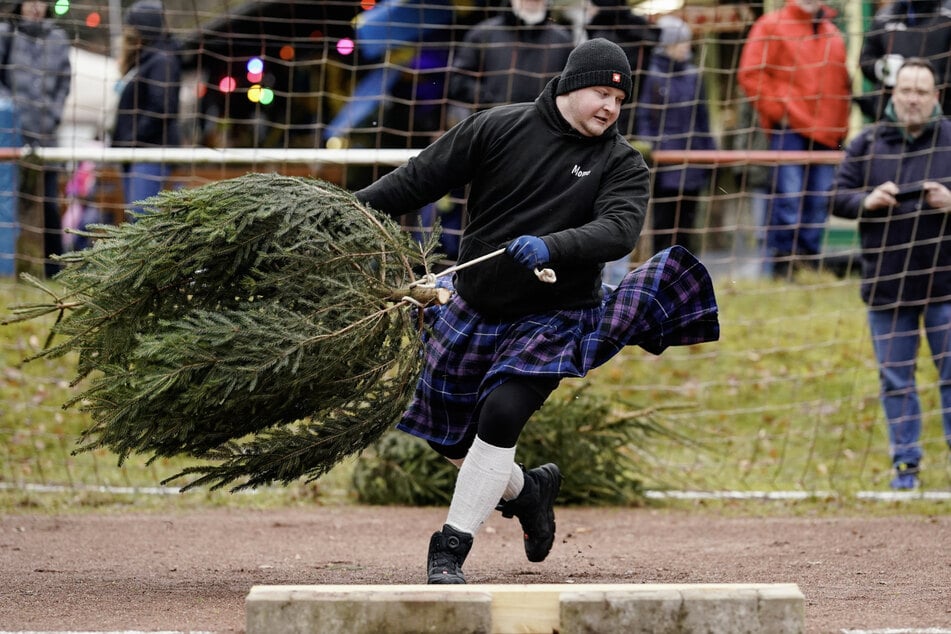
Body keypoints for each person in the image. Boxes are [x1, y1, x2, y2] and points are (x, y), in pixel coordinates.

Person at [355, 38, 718, 583]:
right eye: (601, 94)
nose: (610, 109)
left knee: (501, 415)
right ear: (572, 86)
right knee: (446, 436)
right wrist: (342, 211)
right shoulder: (496, 127)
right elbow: (415, 181)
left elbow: (618, 231)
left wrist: (553, 245)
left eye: (619, 102)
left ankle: (449, 549)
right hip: (475, 305)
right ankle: (529, 492)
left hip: (556, 316)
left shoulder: (622, 164)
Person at [831, 58, 951, 490]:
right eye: (906, 90)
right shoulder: (865, 143)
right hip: (887, 286)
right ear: (893, 95)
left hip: (946, 285)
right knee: (896, 381)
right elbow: (836, 198)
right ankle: (906, 466)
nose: (914, 99)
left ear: (936, 96)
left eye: (922, 91)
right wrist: (868, 201)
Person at [737, 0, 852, 279]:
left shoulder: (831, 34)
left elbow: (841, 85)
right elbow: (751, 75)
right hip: (791, 131)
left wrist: (840, 129)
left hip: (827, 133)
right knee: (789, 198)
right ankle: (782, 267)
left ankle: (808, 265)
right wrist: (781, 112)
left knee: (820, 200)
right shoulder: (771, 25)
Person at [0, 0, 71, 277]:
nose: (35, 7)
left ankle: (54, 269)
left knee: (49, 203)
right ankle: (11, 267)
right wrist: (11, 111)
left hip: (46, 135)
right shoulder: (7, 33)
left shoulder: (58, 38)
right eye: (30, 1)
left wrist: (53, 114)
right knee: (9, 200)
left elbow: (64, 82)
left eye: (41, 1)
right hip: (10, 134)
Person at [635, 15, 716, 255]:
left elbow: (703, 120)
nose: (687, 47)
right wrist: (651, 151)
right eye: (682, 42)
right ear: (669, 44)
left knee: (687, 228)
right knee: (664, 227)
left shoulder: (694, 76)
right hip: (665, 166)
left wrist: (710, 154)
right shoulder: (652, 74)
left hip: (692, 163)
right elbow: (645, 116)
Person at [446, 0, 573, 126]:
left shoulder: (563, 40)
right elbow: (459, 80)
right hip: (492, 126)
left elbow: (569, 85)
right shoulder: (483, 34)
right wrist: (489, 100)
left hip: (543, 129)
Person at [111, 0, 181, 218]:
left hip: (149, 153)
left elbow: (163, 107)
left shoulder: (161, 60)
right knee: (137, 218)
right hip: (136, 154)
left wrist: (133, 137)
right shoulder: (145, 60)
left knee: (141, 220)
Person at [856, 0, 951, 121]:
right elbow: (866, 59)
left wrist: (925, 79)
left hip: (941, 117)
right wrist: (883, 69)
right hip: (890, 119)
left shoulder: (947, 14)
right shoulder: (885, 16)